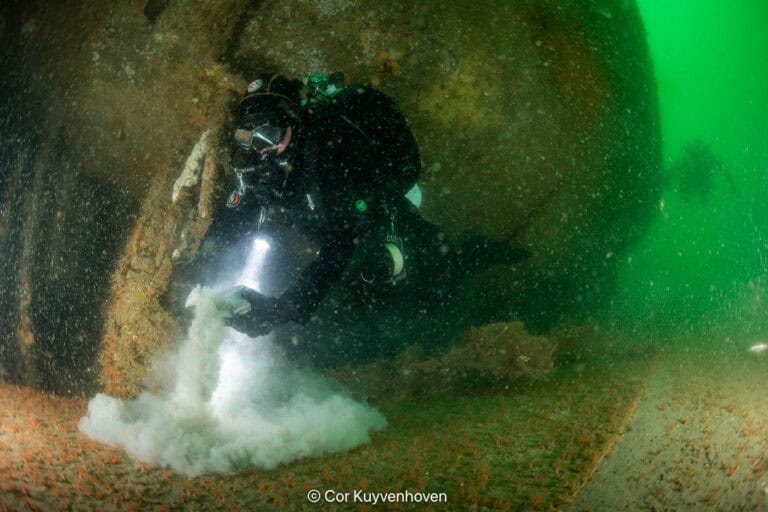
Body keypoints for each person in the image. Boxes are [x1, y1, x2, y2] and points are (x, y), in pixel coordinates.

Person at [201, 72, 530, 338]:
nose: (262, 148)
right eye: (249, 137)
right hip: (334, 237)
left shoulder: (330, 154)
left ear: (293, 120)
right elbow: (234, 218)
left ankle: (465, 253)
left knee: (430, 291)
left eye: (269, 134)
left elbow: (340, 247)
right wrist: (201, 270)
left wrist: (286, 308)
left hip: (375, 227)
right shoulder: (265, 165)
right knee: (362, 302)